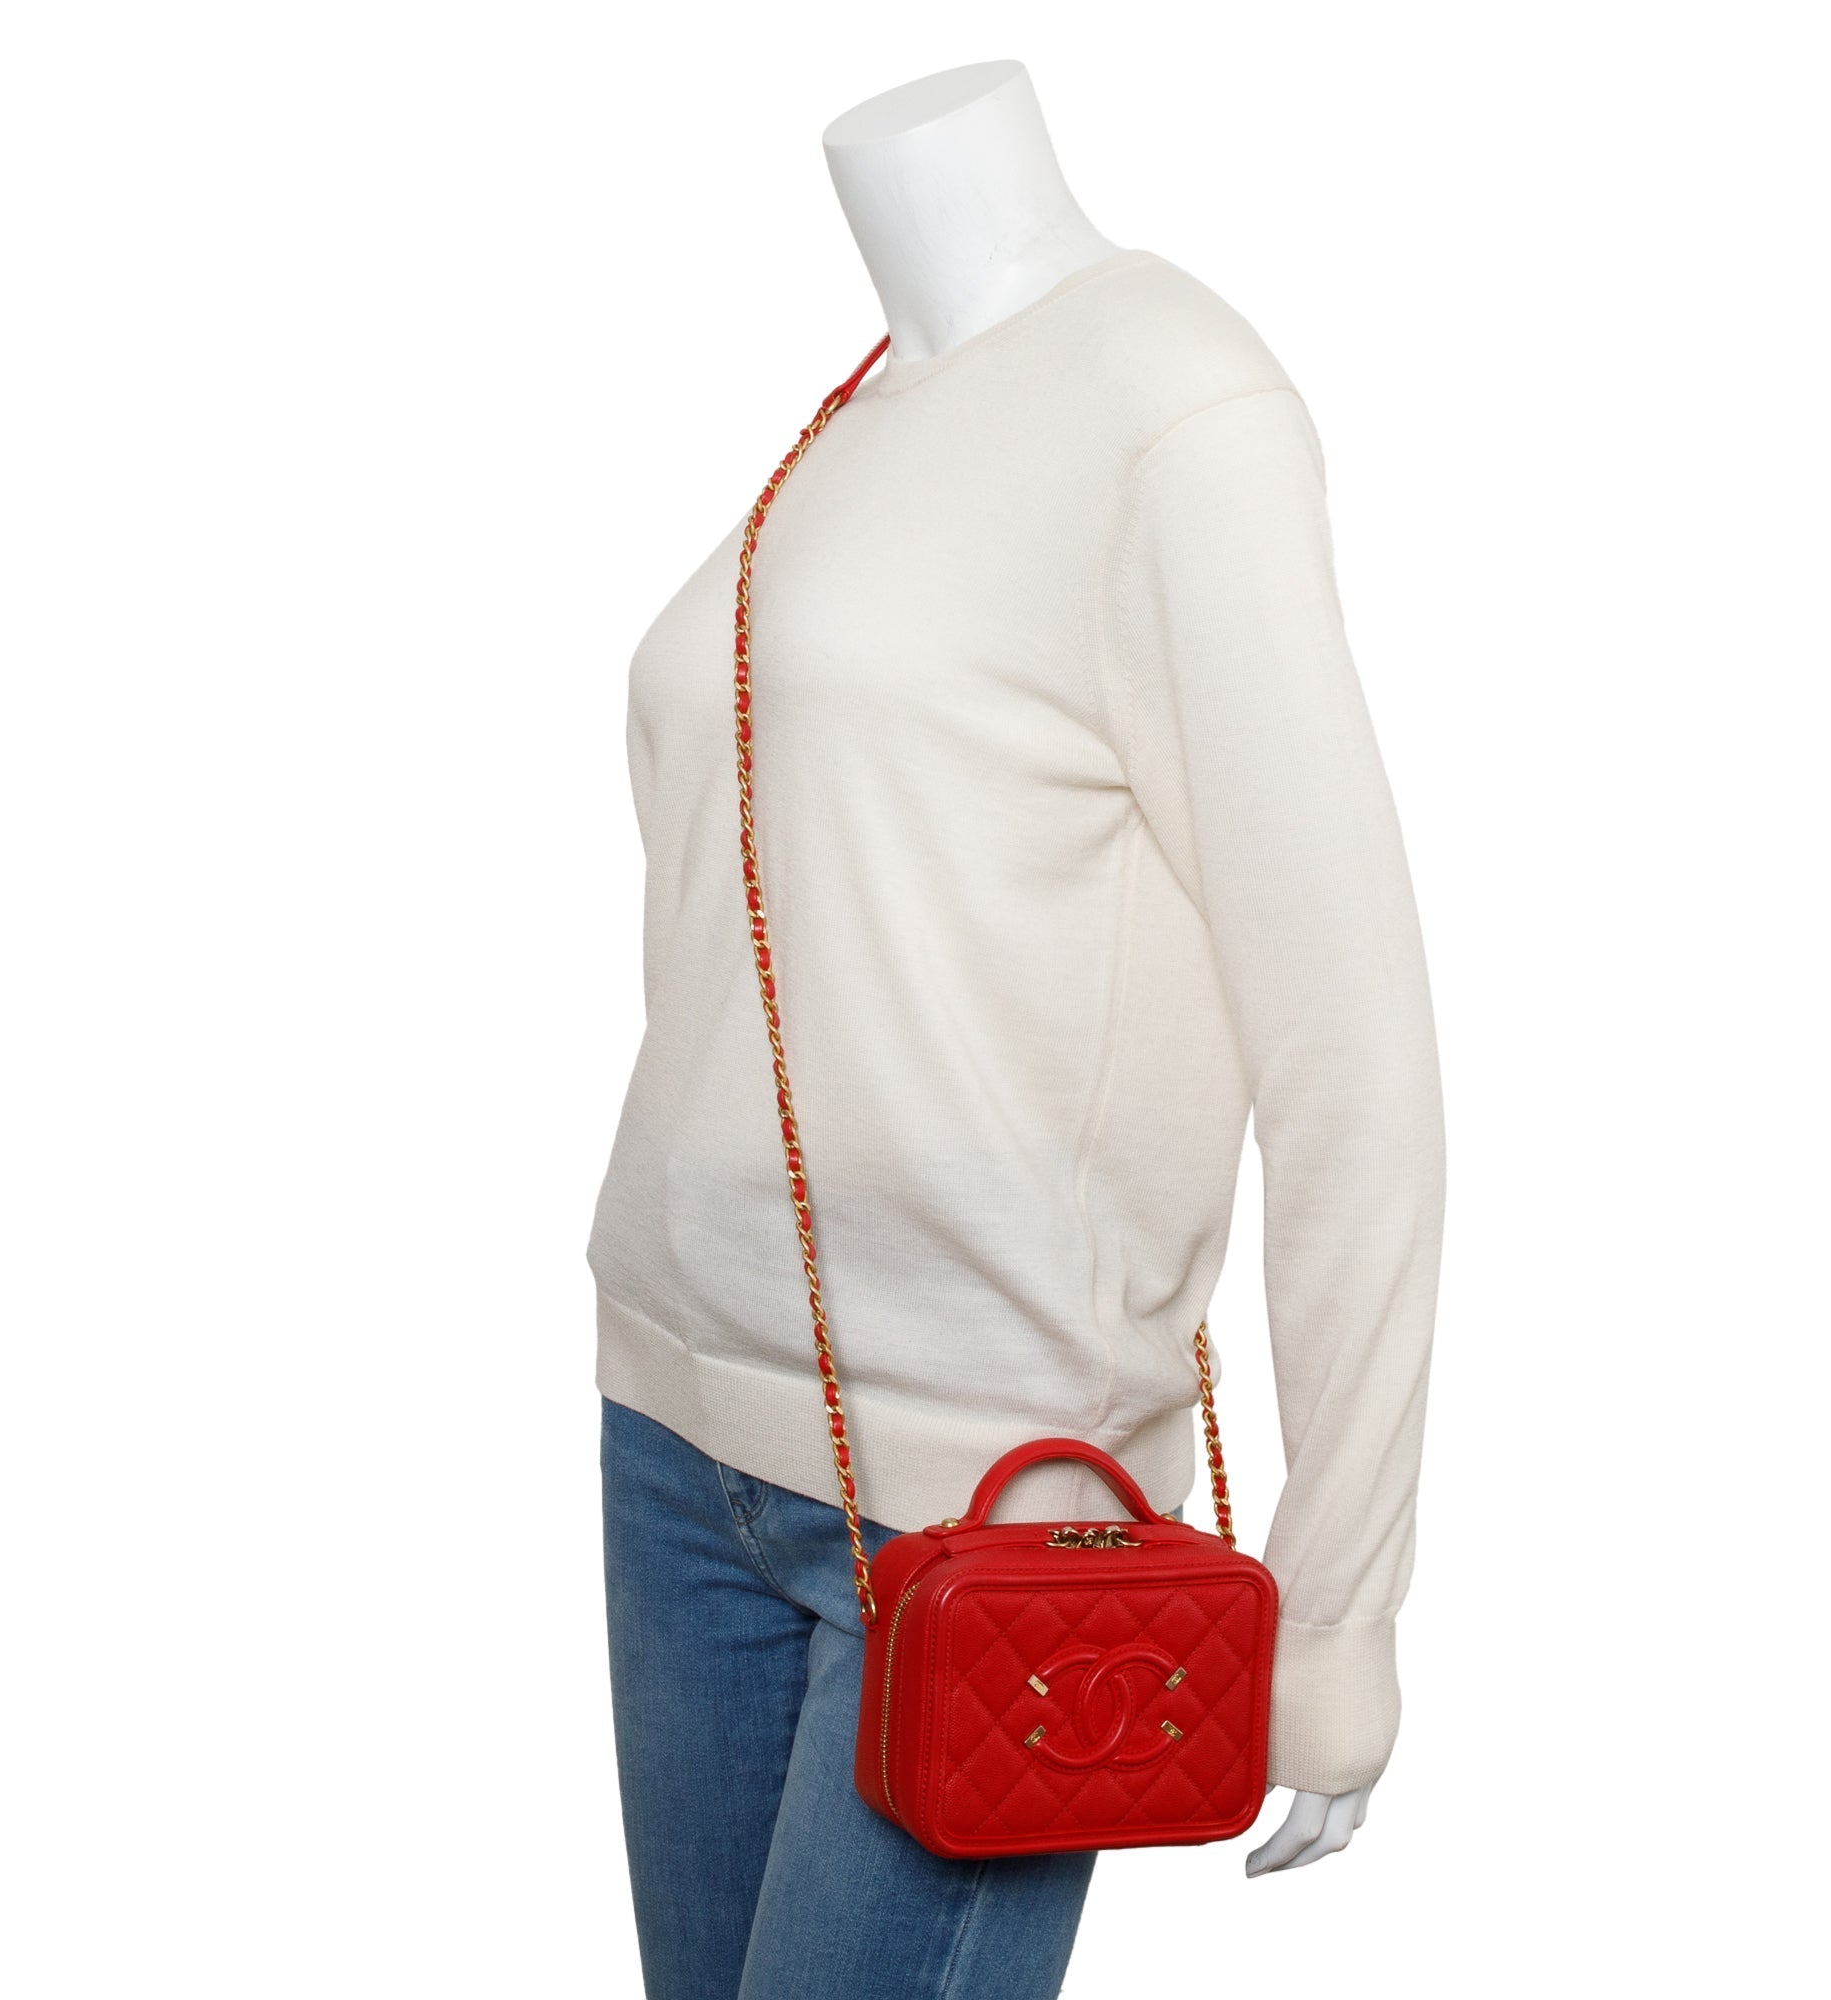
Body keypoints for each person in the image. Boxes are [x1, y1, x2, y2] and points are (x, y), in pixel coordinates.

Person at [588, 59, 1445, 2000]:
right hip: (675, 1436)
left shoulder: (1176, 406)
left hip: (996, 1496)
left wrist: (1337, 1603)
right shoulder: (849, 422)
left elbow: (1354, 1054)